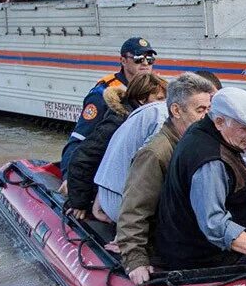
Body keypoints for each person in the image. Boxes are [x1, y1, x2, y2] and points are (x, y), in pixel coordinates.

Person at [154, 87, 246, 283]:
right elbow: (215, 225)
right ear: (219, 122)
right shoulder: (210, 163)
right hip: (203, 257)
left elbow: (231, 166)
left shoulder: (203, 130)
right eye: (245, 128)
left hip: (195, 243)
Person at [114, 72, 218, 284]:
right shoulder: (156, 153)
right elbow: (135, 209)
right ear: (176, 111)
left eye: (209, 110)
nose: (207, 117)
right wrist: (135, 260)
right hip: (167, 243)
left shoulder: (200, 142)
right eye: (200, 110)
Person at [64, 73, 168, 221]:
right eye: (159, 99)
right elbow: (83, 156)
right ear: (141, 100)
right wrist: (80, 203)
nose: (164, 104)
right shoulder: (118, 122)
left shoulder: (142, 119)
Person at [59, 37, 158, 177]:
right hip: (108, 166)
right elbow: (79, 139)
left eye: (150, 59)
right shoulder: (102, 94)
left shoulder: (155, 90)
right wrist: (68, 176)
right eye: (138, 59)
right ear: (123, 61)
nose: (145, 64)